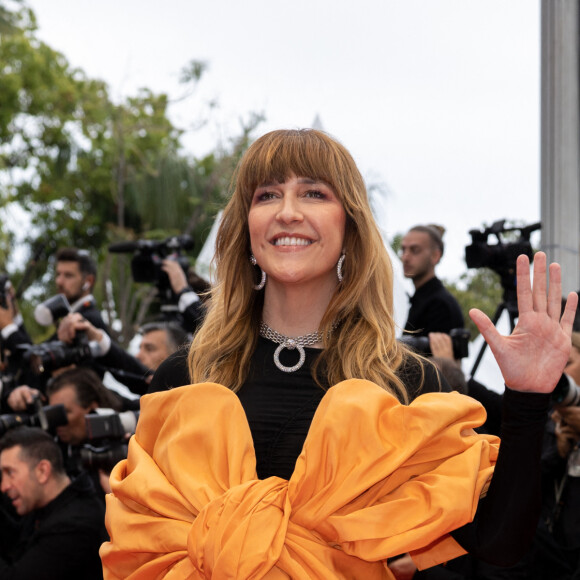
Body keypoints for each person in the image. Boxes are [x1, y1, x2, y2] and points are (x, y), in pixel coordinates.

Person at [100, 128, 577, 579]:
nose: (287, 211)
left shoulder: (406, 383)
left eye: (314, 193)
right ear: (246, 229)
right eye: (266, 194)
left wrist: (527, 398)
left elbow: (499, 547)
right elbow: (137, 545)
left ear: (350, 227)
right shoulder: (182, 377)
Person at [0, 426, 107, 579]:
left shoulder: (76, 525)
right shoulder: (50, 503)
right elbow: (18, 544)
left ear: (42, 471)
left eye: (10, 473)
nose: (4, 486)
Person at [401, 224, 464, 336]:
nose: (405, 257)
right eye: (403, 249)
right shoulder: (422, 299)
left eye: (414, 250)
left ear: (435, 256)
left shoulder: (440, 306)